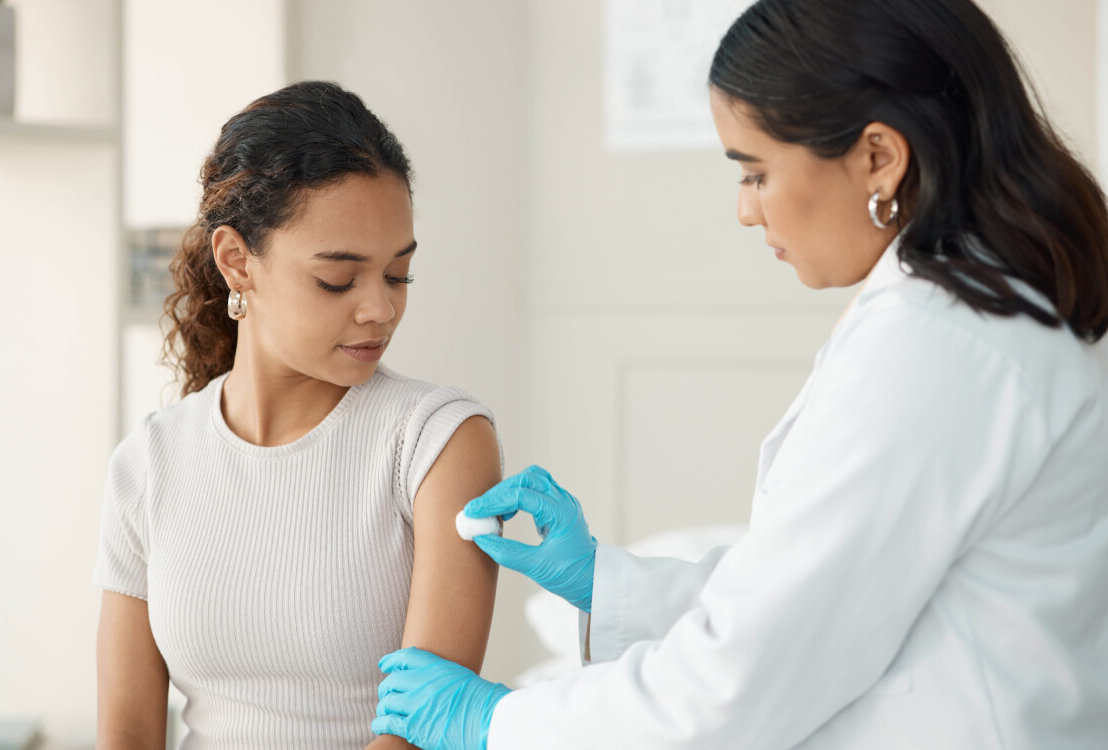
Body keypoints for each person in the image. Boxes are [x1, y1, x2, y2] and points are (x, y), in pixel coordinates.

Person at [370, 1, 1108, 748]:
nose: (745, 212)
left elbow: (741, 683)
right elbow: (817, 590)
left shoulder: (939, 345)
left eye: (756, 173)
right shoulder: (987, 306)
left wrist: (496, 720)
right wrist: (608, 584)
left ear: (879, 156)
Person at [95, 81, 503, 749]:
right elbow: (128, 735)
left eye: (398, 274)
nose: (380, 309)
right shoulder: (151, 462)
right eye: (337, 280)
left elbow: (422, 732)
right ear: (236, 262)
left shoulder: (437, 443)